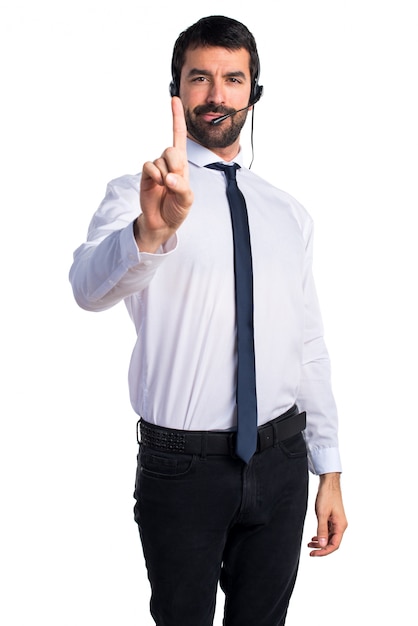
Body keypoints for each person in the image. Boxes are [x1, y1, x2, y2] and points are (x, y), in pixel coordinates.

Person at [69, 15, 347, 626]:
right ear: (178, 91)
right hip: (182, 469)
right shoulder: (136, 193)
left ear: (253, 94)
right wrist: (151, 230)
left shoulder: (288, 214)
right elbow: (87, 290)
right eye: (200, 78)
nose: (216, 94)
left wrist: (327, 466)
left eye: (232, 79)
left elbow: (308, 343)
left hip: (281, 462)